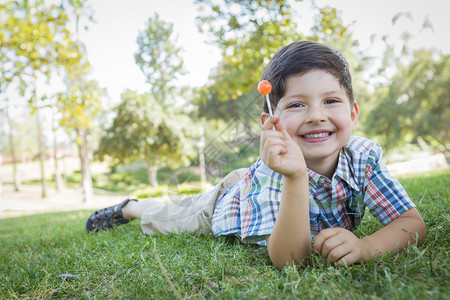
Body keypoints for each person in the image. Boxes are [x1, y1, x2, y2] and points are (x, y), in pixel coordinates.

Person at [86, 41, 426, 270]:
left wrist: (366, 247)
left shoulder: (363, 156)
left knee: (179, 206)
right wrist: (294, 175)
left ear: (352, 114)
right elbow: (290, 260)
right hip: (225, 204)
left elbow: (410, 224)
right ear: (271, 122)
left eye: (331, 101)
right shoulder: (274, 172)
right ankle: (130, 208)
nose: (317, 116)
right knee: (172, 215)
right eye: (296, 105)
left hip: (247, 183)